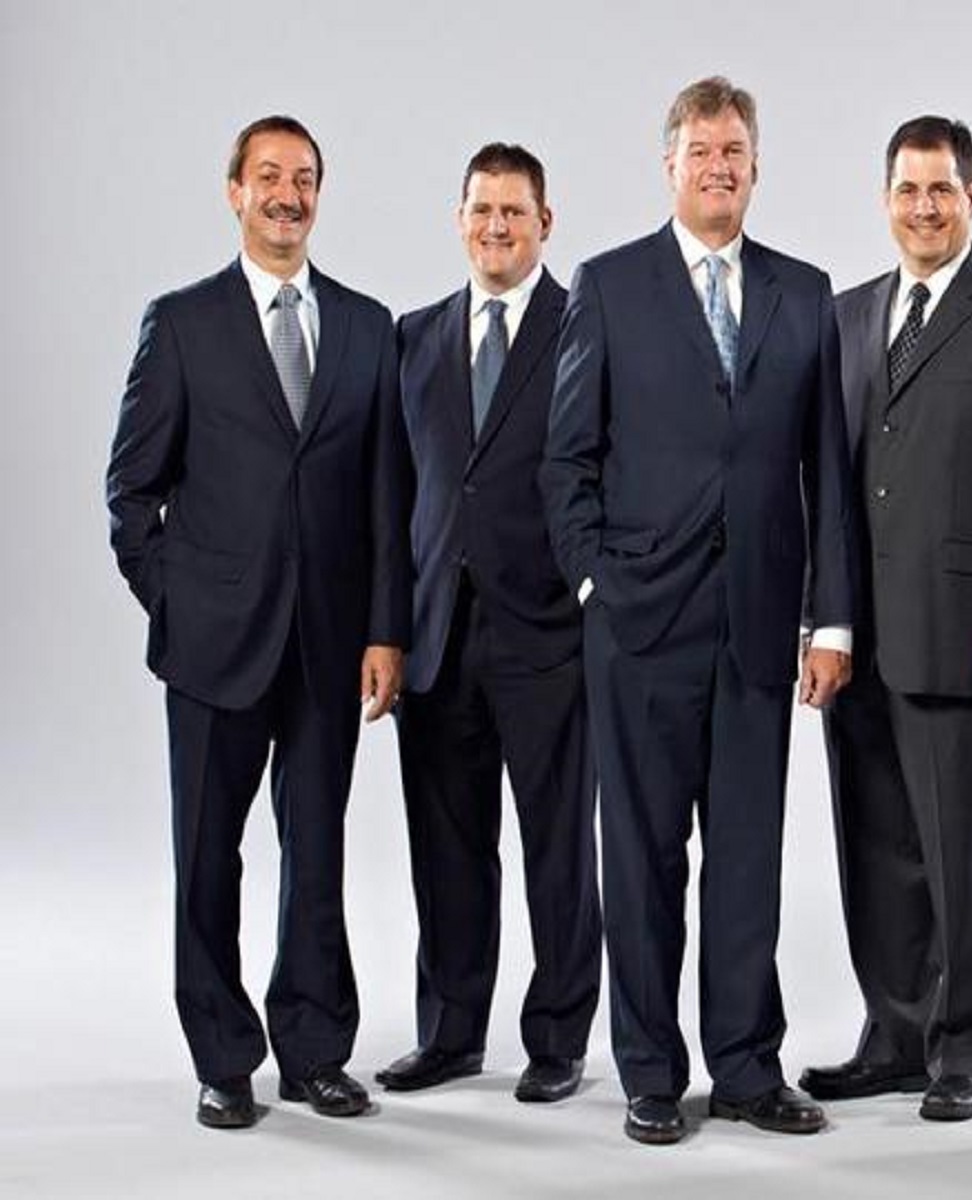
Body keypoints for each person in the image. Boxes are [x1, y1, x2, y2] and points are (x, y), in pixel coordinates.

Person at [542, 76, 859, 1146]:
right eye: (700, 151)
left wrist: (833, 620)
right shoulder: (610, 284)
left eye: (735, 151)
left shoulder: (803, 292)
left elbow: (829, 473)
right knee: (638, 857)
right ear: (668, 165)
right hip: (637, 624)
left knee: (747, 857)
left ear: (756, 166)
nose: (719, 167)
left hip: (762, 625)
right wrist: (596, 579)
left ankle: (746, 1066)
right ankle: (646, 1069)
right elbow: (566, 457)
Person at [105, 114, 409, 1129]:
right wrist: (179, 604)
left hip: (329, 644)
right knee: (209, 855)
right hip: (214, 647)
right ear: (234, 190)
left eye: (306, 177)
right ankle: (223, 1058)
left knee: (315, 850)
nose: (289, 193)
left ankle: (315, 1050)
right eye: (269, 176)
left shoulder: (369, 327)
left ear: (321, 194)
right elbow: (130, 493)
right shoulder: (182, 322)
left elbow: (385, 500)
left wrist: (383, 631)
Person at [803, 115, 972, 1124]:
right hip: (863, 644)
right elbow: (828, 486)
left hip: (967, 633)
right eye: (908, 190)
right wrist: (827, 624)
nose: (925, 207)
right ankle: (893, 1037)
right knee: (875, 848)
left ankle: (966, 1046)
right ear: (886, 199)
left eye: (942, 190)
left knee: (964, 856)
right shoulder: (848, 317)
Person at [377, 142, 601, 1106]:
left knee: (556, 843)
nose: (497, 228)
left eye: (515, 212)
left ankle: (556, 1038)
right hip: (436, 634)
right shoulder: (413, 337)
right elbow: (394, 499)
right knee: (447, 844)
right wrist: (385, 631)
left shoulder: (584, 326)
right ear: (459, 220)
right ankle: (451, 1032)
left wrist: (594, 591)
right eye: (482, 212)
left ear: (546, 223)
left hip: (548, 630)